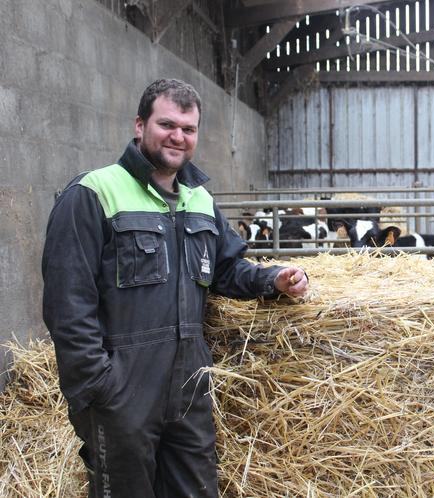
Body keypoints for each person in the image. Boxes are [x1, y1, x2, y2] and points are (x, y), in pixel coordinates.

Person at [42, 78, 308, 497]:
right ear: (139, 125)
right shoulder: (93, 193)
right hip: (122, 389)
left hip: (188, 387)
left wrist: (272, 279)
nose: (178, 137)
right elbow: (67, 304)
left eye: (189, 129)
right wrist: (99, 386)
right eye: (167, 124)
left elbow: (225, 268)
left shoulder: (200, 201)